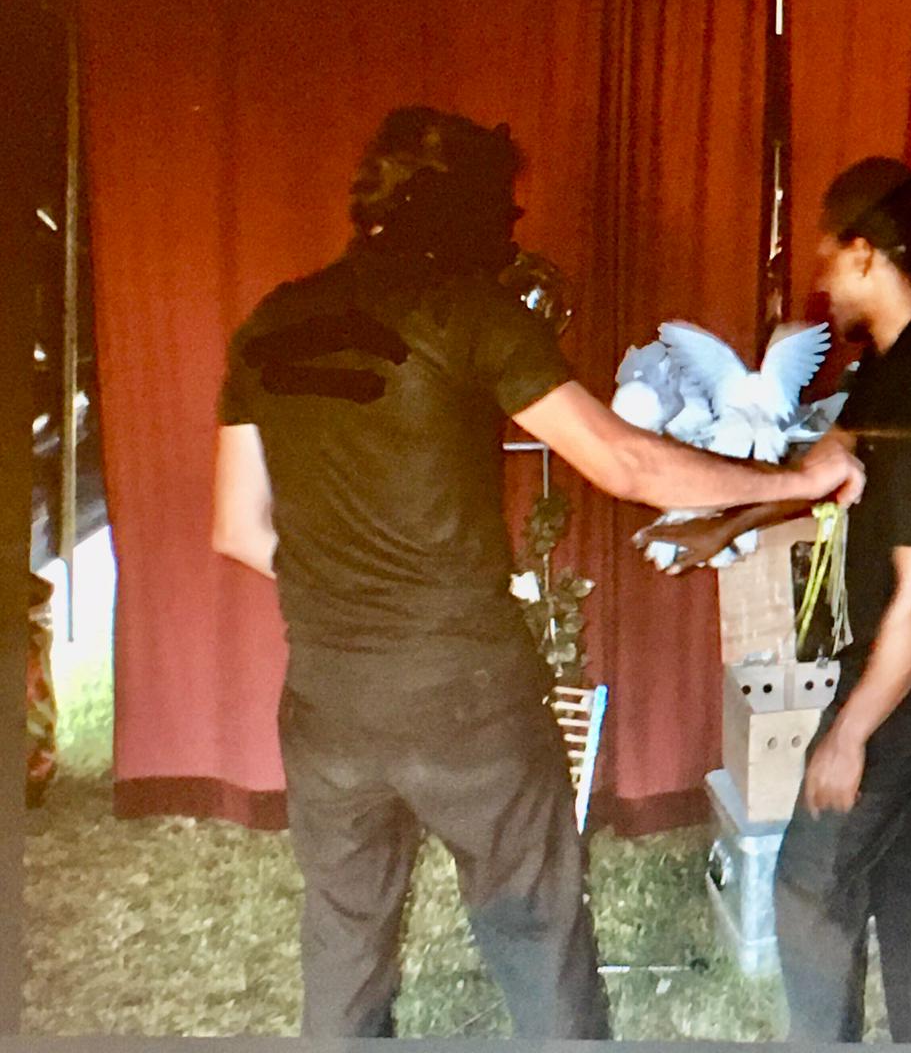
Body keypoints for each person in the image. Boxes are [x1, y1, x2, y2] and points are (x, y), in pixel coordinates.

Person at [210, 106, 863, 1040]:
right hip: (466, 696)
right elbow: (625, 464)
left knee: (345, 943)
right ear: (468, 211)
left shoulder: (270, 323)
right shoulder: (471, 314)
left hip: (328, 701)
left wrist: (346, 580)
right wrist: (796, 479)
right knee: (534, 933)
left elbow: (238, 528)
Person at [652, 157, 911, 1042]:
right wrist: (721, 527)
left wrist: (849, 734)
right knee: (906, 863)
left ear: (865, 254)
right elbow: (825, 466)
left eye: (827, 258)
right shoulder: (898, 362)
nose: (820, 281)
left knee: (811, 879)